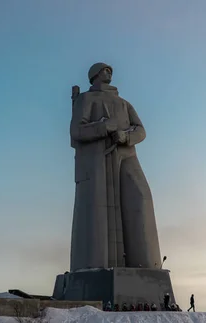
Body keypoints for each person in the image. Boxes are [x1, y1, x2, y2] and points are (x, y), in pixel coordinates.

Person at [69, 63, 162, 271]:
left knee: (140, 196)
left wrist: (125, 136)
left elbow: (141, 130)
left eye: (110, 70)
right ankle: (96, 266)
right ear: (94, 75)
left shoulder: (124, 104)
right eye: (104, 70)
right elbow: (76, 131)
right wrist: (104, 127)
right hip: (98, 160)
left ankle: (147, 265)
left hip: (126, 154)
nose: (109, 72)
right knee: (99, 212)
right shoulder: (86, 99)